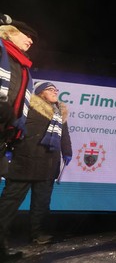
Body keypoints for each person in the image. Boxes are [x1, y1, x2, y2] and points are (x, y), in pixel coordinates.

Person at [0, 81, 72, 261]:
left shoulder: (59, 112)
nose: (55, 92)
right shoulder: (28, 107)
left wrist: (67, 152)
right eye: (50, 89)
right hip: (24, 162)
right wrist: (9, 147)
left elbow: (64, 136)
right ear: (40, 93)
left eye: (56, 90)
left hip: (48, 164)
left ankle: (37, 233)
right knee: (10, 202)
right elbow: (12, 128)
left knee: (42, 203)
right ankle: (1, 235)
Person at [0, 14, 39, 262]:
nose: (31, 41)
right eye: (28, 36)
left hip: (4, 134)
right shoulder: (2, 52)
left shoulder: (22, 65)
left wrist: (15, 129)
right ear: (10, 33)